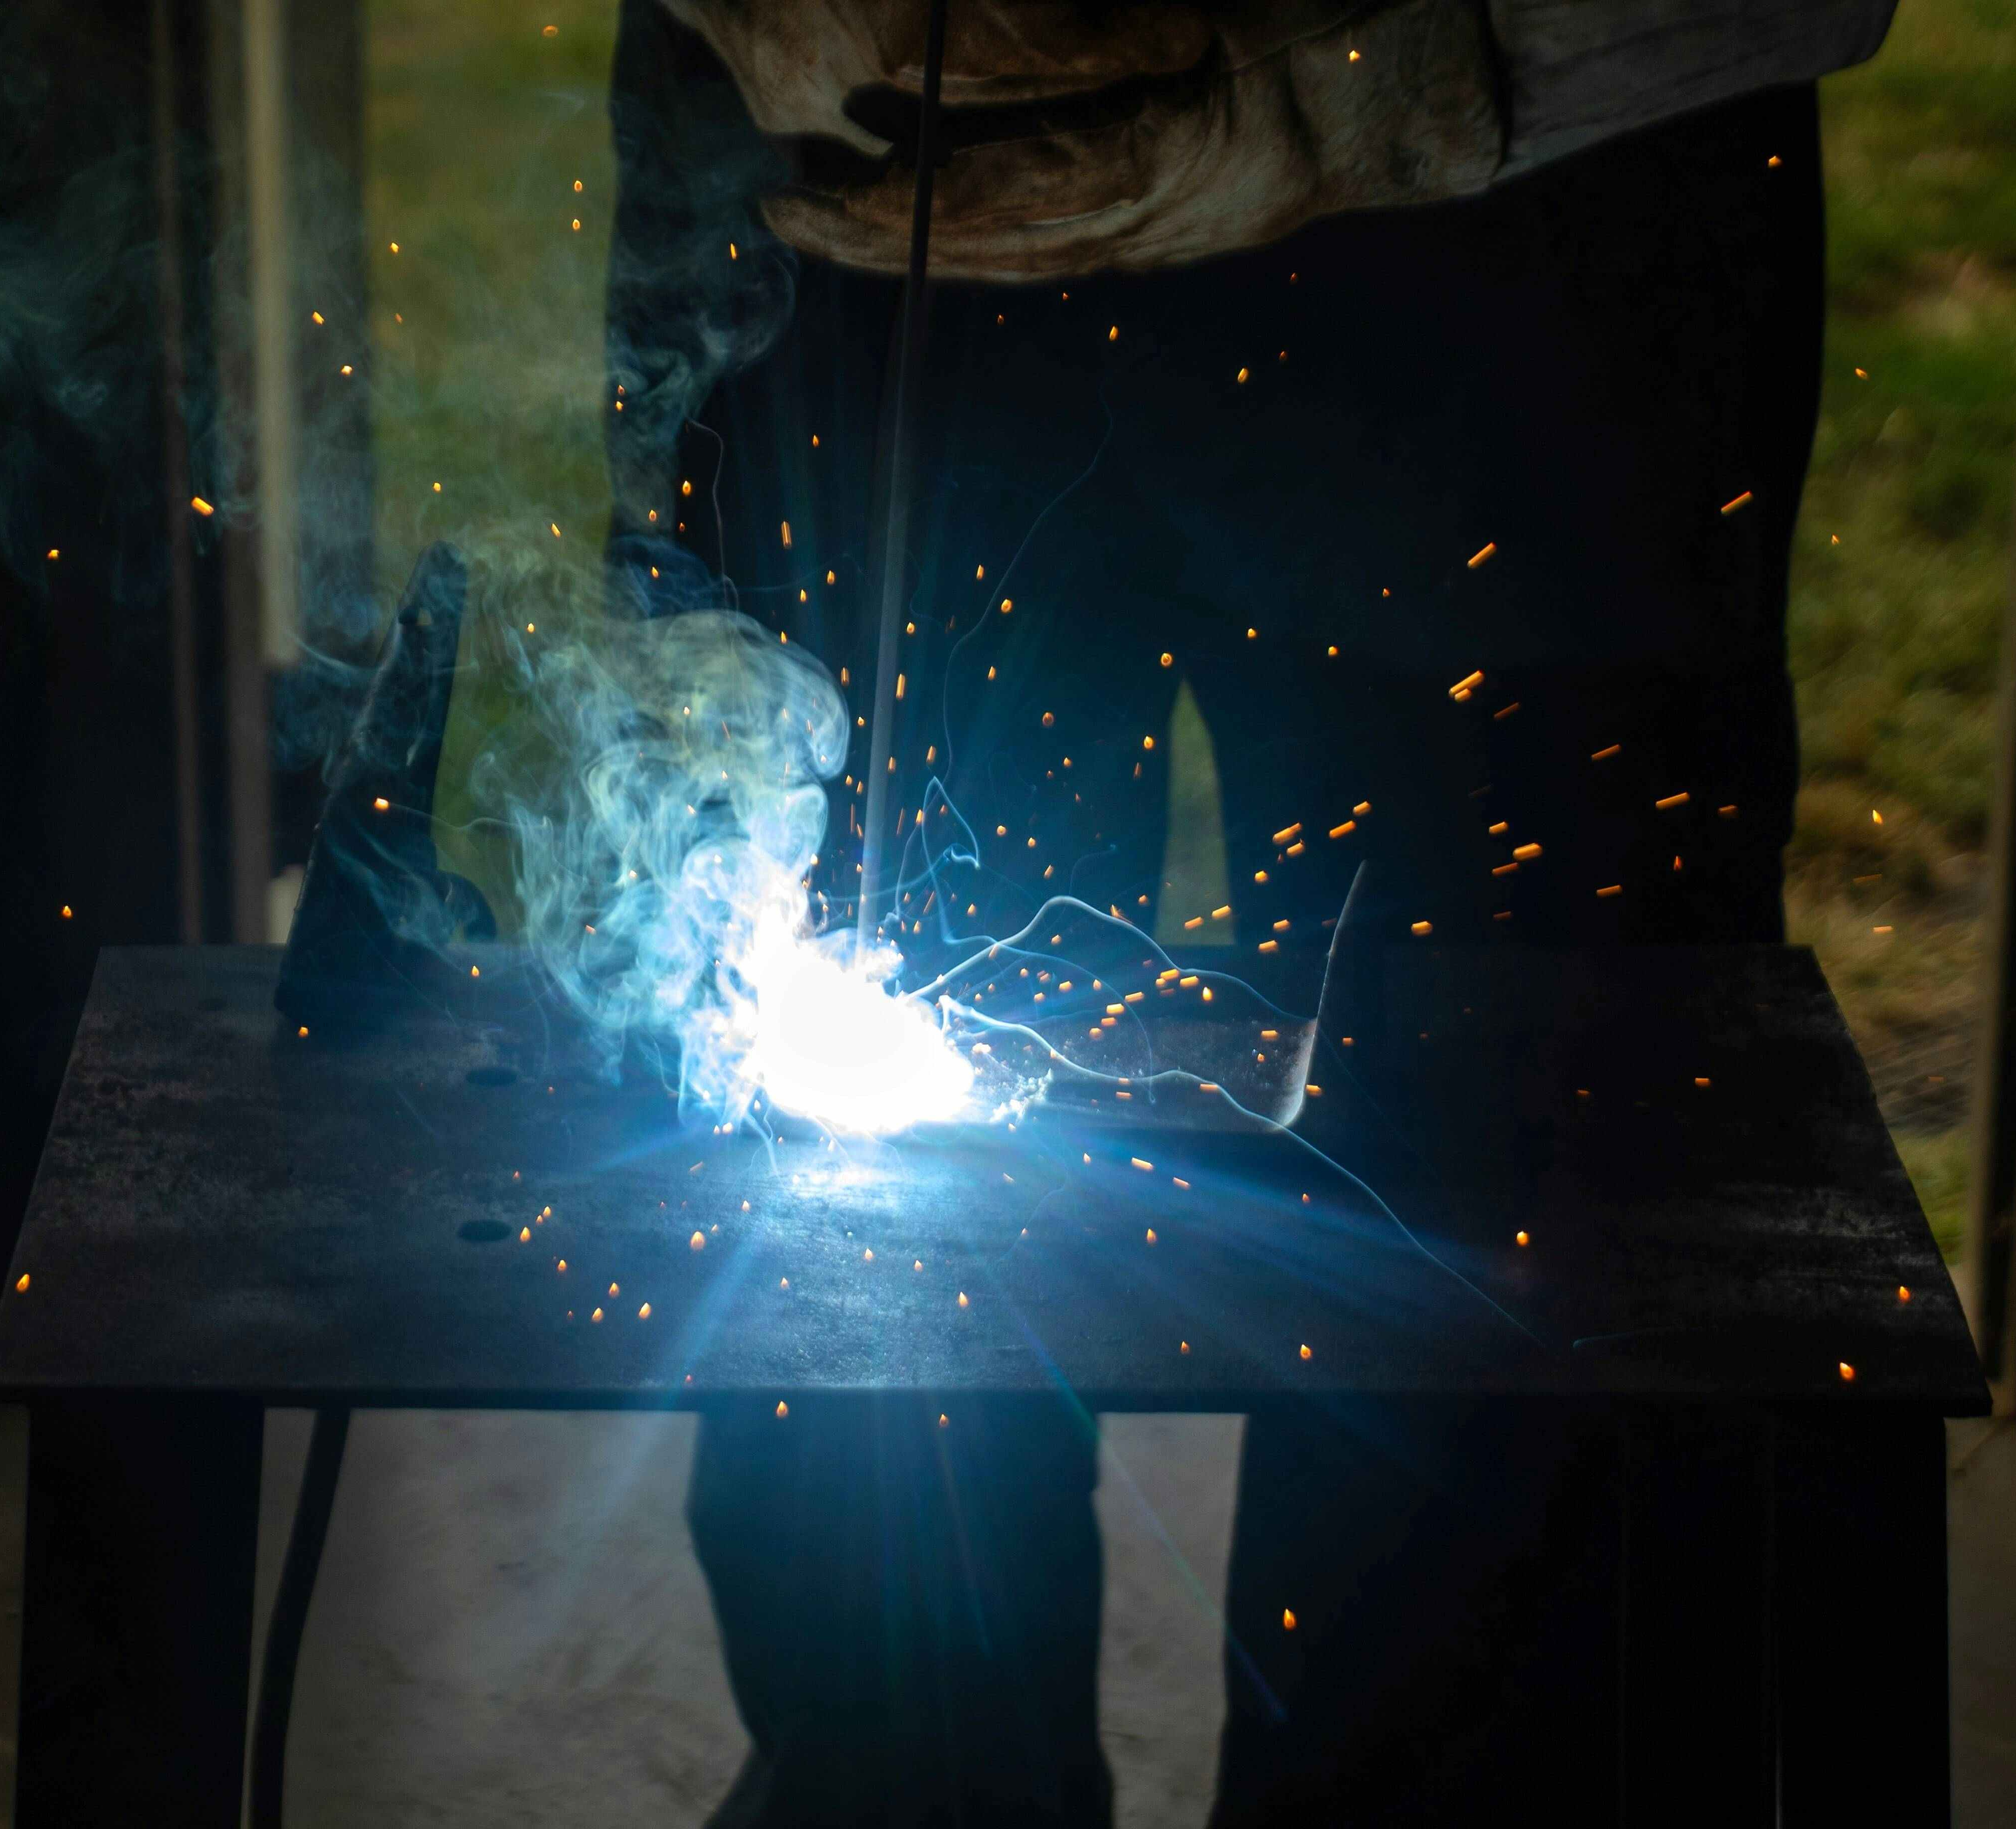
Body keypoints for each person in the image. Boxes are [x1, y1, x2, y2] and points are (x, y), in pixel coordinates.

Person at [603, 3, 1888, 1820]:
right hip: (868, 192)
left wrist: (1432, 54)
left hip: (1529, 233)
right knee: (824, 1169)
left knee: (1522, 1223)